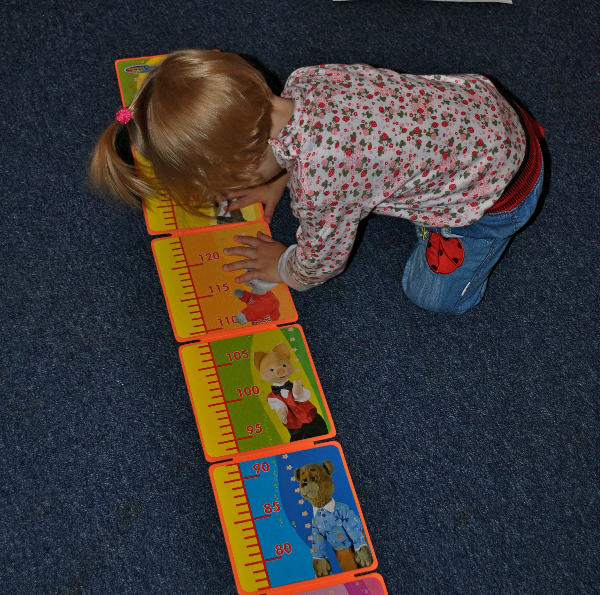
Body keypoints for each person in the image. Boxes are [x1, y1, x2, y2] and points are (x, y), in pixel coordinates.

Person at [90, 49, 545, 314]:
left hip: (498, 195)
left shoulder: (320, 186)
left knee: (428, 295)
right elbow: (315, 137)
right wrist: (276, 181)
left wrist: (282, 265)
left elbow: (321, 264)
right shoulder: (307, 80)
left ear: (245, 164)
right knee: (363, 179)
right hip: (488, 110)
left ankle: (459, 239)